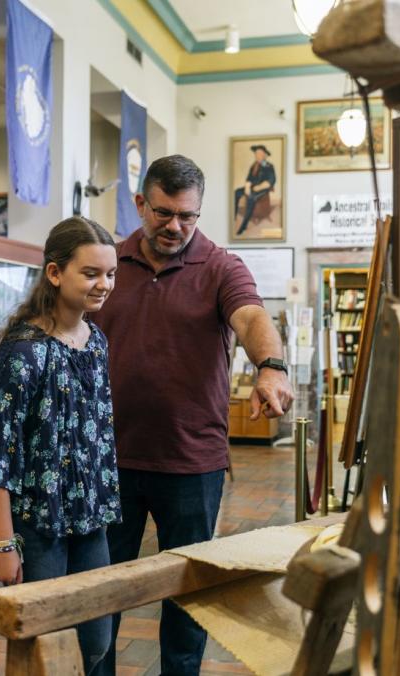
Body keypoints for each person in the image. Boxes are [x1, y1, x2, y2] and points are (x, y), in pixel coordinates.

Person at [91, 155, 294, 675]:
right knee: (99, 592)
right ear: (140, 203)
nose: (175, 226)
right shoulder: (109, 264)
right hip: (109, 460)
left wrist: (270, 368)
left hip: (191, 464)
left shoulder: (222, 266)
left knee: (187, 594)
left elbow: (250, 316)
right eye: (163, 213)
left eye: (188, 216)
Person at [0, 216, 121, 674]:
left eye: (110, 274)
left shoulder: (97, 342)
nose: (104, 285)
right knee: (43, 650)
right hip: (39, 525)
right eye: (90, 273)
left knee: (96, 640)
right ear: (54, 273)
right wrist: (1, 544)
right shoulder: (25, 351)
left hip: (90, 518)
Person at [233, 144, 277, 235]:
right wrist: (248, 187)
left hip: (263, 188)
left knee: (251, 198)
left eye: (260, 154)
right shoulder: (254, 165)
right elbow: (249, 178)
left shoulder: (268, 166)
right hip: (253, 187)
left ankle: (243, 225)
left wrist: (259, 187)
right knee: (237, 192)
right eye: (256, 154)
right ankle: (233, 216)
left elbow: (271, 181)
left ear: (264, 155)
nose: (257, 156)